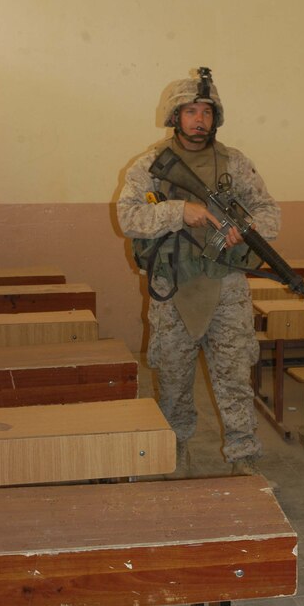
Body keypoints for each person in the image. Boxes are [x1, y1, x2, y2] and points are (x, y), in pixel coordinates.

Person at [117, 67, 281, 476]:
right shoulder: (151, 165)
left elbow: (270, 214)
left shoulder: (234, 164)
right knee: (172, 381)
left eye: (206, 111)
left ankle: (244, 460)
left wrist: (241, 232)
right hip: (171, 289)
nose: (199, 120)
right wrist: (179, 212)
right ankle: (174, 453)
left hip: (226, 289)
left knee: (235, 380)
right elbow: (127, 217)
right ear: (175, 116)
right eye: (190, 111)